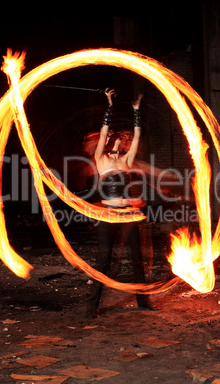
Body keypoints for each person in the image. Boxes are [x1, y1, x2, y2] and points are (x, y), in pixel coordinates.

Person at [85, 88, 158, 319]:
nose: (123, 138)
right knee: (103, 261)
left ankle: (143, 303)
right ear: (111, 140)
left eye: (124, 138)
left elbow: (137, 136)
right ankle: (91, 308)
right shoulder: (101, 159)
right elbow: (104, 129)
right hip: (108, 215)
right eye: (119, 136)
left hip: (127, 215)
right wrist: (109, 105)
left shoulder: (126, 160)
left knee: (137, 259)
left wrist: (136, 111)